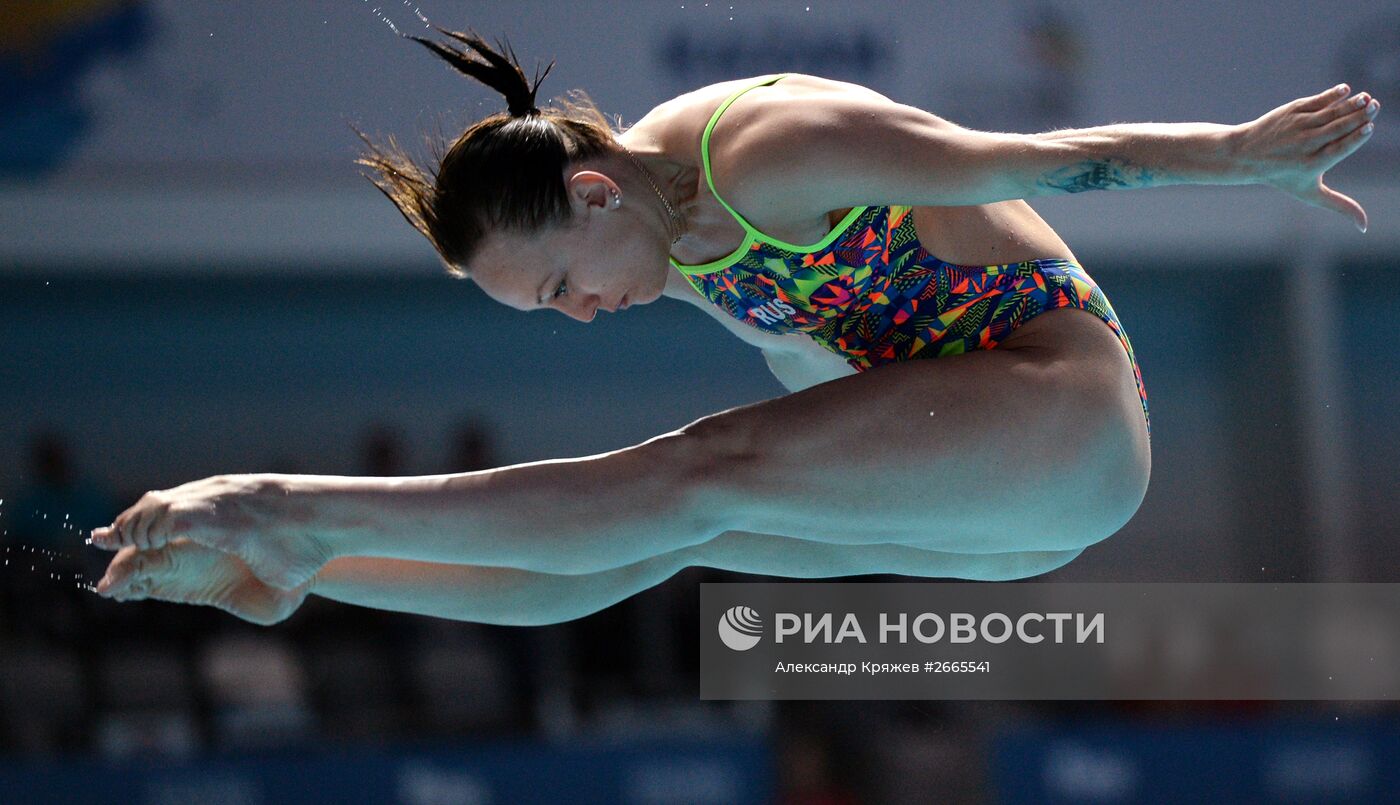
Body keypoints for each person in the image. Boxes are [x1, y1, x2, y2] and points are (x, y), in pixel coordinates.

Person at [90, 28, 1380, 625]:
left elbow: (1027, 154)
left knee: (697, 472)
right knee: (641, 546)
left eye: (559, 287)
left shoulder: (772, 153)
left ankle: (280, 505)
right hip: (983, 503)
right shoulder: (657, 239)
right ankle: (309, 573)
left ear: (593, 191)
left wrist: (1233, 156)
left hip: (1067, 418)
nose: (583, 315)